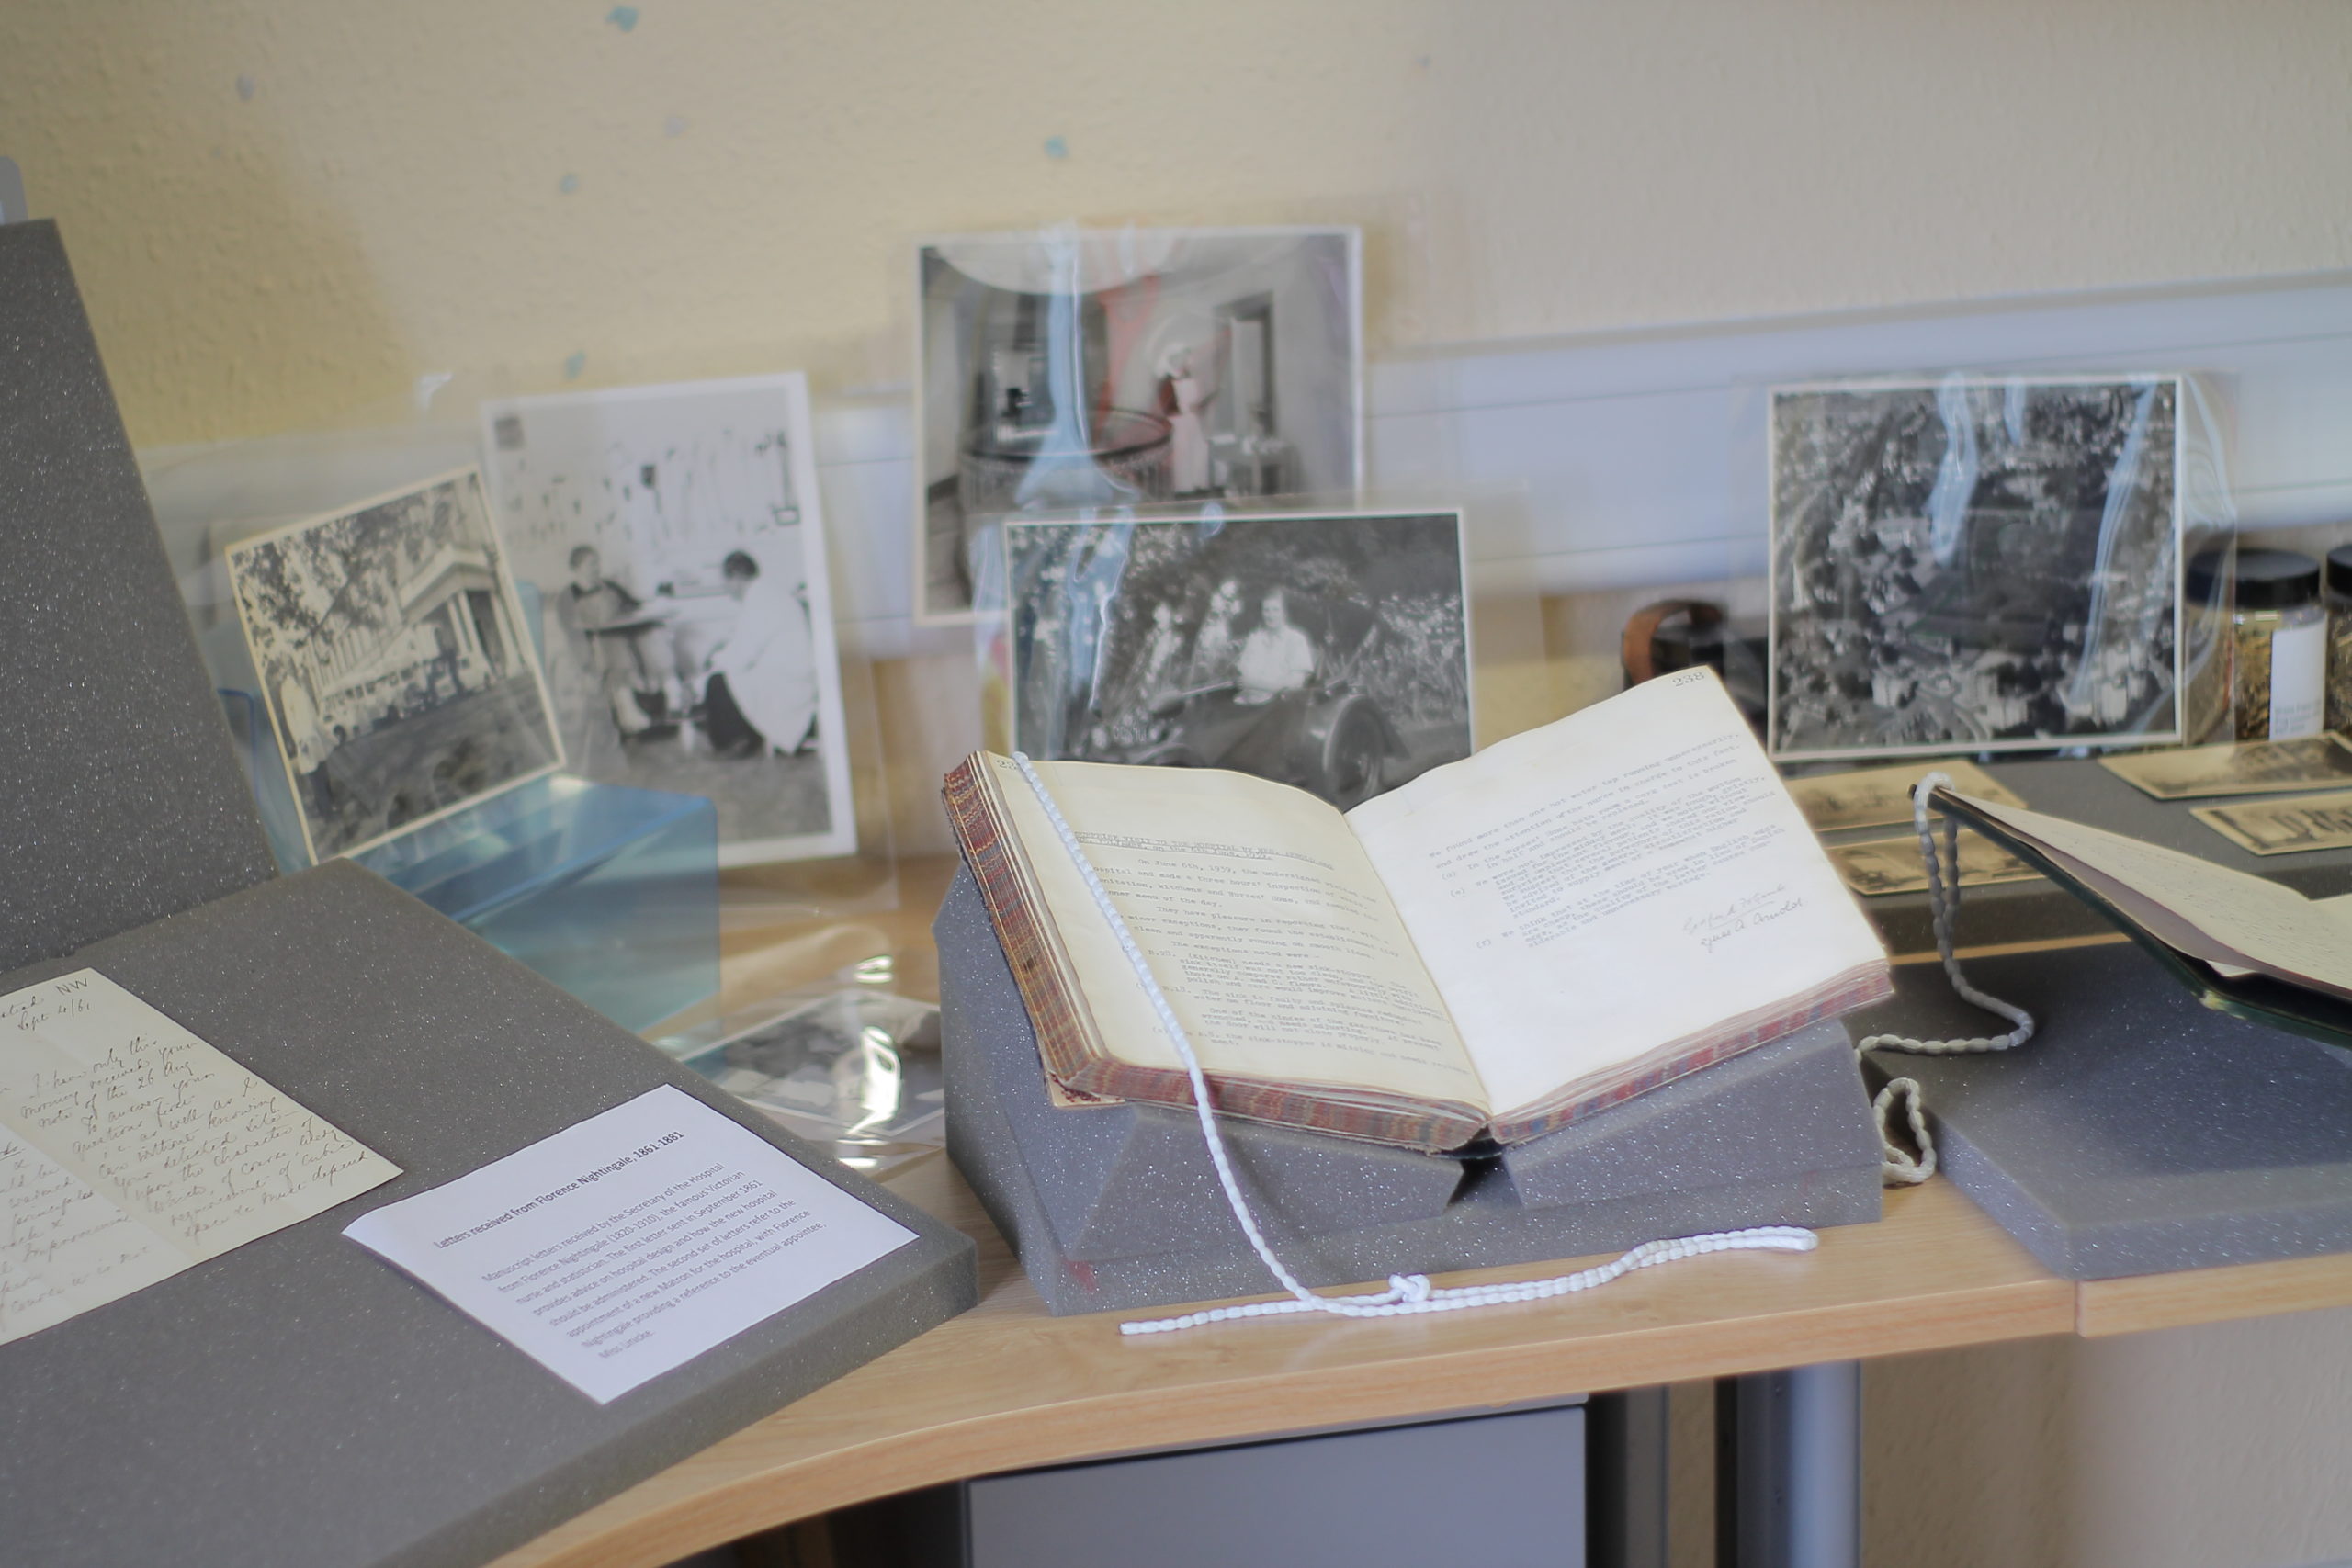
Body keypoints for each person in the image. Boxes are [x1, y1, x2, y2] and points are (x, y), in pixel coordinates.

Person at [701, 550, 820, 760]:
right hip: (786, 670)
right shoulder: (765, 593)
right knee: (724, 676)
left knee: (717, 681)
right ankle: (744, 735)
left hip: (788, 679)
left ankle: (733, 742)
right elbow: (745, 642)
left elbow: (743, 656)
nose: (725, 588)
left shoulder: (761, 599)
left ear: (737, 577)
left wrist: (714, 661)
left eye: (726, 581)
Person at [1233, 589, 1317, 703]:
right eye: (1266, 610)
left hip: (1279, 706)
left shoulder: (1296, 640)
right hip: (1247, 702)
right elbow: (1242, 675)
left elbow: (1294, 685)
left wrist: (1256, 684)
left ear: (1285, 613)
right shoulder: (1255, 638)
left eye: (1276, 610)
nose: (1270, 615)